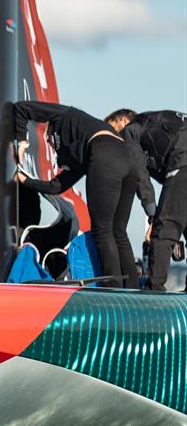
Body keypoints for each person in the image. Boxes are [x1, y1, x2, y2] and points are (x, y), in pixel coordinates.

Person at [13, 101, 139, 288]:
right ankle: (133, 290)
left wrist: (21, 141)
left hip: (105, 152)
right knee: (118, 231)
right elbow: (56, 186)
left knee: (102, 230)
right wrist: (25, 180)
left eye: (49, 141)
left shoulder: (65, 115)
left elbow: (21, 108)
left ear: (51, 131)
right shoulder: (80, 157)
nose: (51, 147)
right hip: (129, 160)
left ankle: (113, 289)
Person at [106, 108, 187, 291]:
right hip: (181, 156)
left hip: (183, 156)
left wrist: (153, 217)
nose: (114, 140)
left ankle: (154, 291)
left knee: (164, 228)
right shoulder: (155, 126)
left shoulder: (131, 130)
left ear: (124, 120)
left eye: (112, 131)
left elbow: (140, 177)